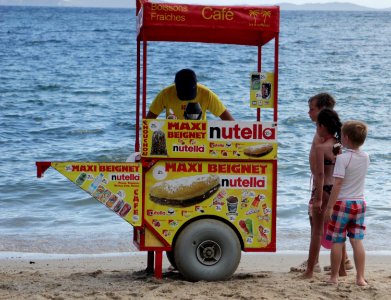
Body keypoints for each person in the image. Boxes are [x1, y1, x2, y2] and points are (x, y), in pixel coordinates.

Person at [290, 93, 352, 276]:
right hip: (336, 188)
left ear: (323, 110)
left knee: (317, 227)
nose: (309, 112)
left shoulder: (321, 139)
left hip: (323, 187)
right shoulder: (337, 140)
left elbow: (320, 173)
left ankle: (313, 265)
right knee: (334, 227)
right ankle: (343, 264)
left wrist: (317, 197)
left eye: (312, 109)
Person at [325, 121, 369, 286]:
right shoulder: (365, 157)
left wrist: (329, 207)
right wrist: (341, 149)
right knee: (357, 241)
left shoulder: (342, 159)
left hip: (343, 203)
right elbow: (351, 156)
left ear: (346, 137)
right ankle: (360, 278)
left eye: (342, 135)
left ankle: (334, 277)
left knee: (337, 240)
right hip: (360, 203)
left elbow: (337, 184)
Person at [146, 69, 234, 120]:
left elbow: (230, 121)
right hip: (172, 139)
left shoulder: (206, 94)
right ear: (175, 86)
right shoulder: (165, 94)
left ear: (196, 85)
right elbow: (148, 122)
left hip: (199, 141)